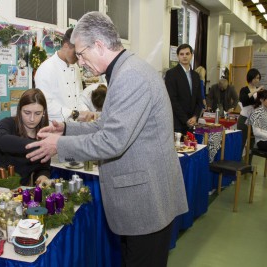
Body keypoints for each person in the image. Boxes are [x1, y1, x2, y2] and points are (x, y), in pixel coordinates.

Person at [25, 12, 188, 267]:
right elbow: (105, 124)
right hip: (142, 201)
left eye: (81, 54)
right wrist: (65, 130)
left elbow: (112, 140)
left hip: (147, 202)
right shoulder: (124, 70)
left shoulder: (130, 75)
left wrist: (58, 145)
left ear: (99, 46)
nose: (79, 62)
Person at [0, 89, 51, 186]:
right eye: (27, 112)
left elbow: (43, 168)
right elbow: (1, 140)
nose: (32, 119)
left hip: (16, 191)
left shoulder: (44, 136)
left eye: (37, 113)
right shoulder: (8, 123)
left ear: (44, 112)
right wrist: (39, 146)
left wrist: (42, 176)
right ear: (19, 110)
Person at [35, 28, 95, 122]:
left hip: (74, 126)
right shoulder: (45, 69)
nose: (79, 59)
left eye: (81, 55)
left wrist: (86, 112)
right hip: (55, 127)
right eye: (76, 54)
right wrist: (74, 114)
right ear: (66, 46)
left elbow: (78, 97)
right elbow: (45, 104)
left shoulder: (75, 68)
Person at [165, 44, 203, 135]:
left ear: (192, 55)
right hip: (177, 123)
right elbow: (172, 100)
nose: (184, 56)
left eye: (187, 54)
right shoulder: (171, 74)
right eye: (181, 54)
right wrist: (186, 120)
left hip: (192, 123)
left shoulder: (196, 76)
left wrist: (195, 117)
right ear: (178, 56)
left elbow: (199, 99)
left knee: (192, 148)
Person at [237, 68, 264, 155]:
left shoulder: (260, 90)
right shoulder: (244, 89)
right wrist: (255, 91)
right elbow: (243, 99)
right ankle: (238, 162)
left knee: (253, 143)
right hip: (244, 118)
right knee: (241, 142)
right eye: (255, 78)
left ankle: (250, 162)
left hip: (255, 119)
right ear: (250, 77)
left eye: (258, 78)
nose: (257, 80)